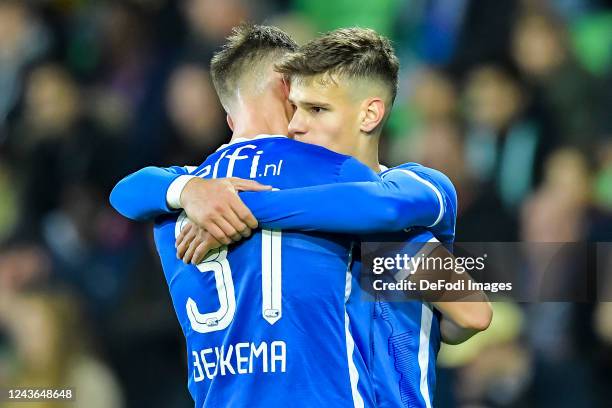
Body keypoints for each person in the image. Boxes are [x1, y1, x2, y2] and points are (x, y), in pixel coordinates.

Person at [111, 25, 492, 407]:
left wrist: (205, 198)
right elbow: (471, 310)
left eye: (317, 108)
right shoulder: (342, 185)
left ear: (229, 117)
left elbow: (123, 191)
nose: (299, 123)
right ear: (287, 91)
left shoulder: (176, 202)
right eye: (305, 105)